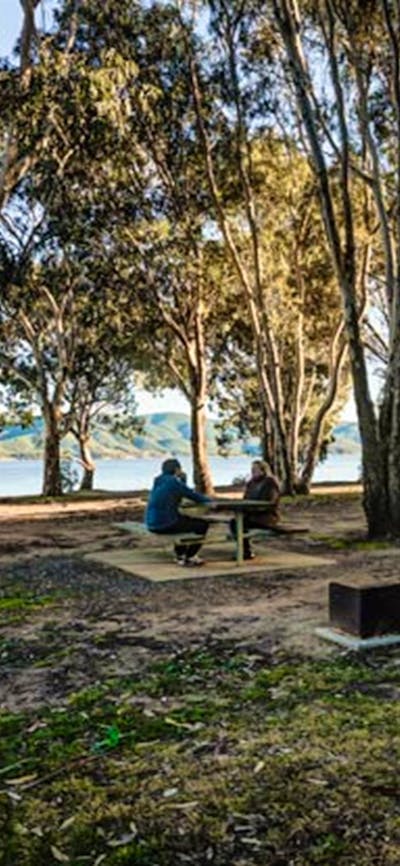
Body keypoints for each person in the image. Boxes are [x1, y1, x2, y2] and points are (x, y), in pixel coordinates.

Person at [145, 458, 213, 566]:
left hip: (151, 523)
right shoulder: (174, 482)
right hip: (165, 524)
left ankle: (180, 555)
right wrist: (211, 502)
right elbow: (192, 495)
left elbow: (180, 493)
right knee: (202, 525)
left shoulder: (158, 481)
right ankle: (190, 556)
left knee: (184, 521)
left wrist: (182, 481)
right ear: (177, 469)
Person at [230, 459, 281, 560]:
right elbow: (246, 499)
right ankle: (245, 549)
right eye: (252, 469)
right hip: (251, 515)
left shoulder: (270, 482)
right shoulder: (251, 483)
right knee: (235, 522)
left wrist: (254, 509)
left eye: (255, 470)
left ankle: (245, 551)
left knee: (239, 523)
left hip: (266, 517)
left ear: (263, 470)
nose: (253, 472)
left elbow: (271, 502)